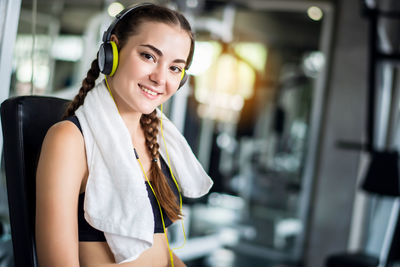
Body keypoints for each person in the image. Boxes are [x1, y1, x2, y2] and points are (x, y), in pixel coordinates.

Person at [35, 3, 212, 266]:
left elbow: (158, 251)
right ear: (112, 52)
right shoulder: (69, 140)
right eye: (148, 56)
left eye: (175, 68)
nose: (160, 78)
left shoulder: (158, 142)